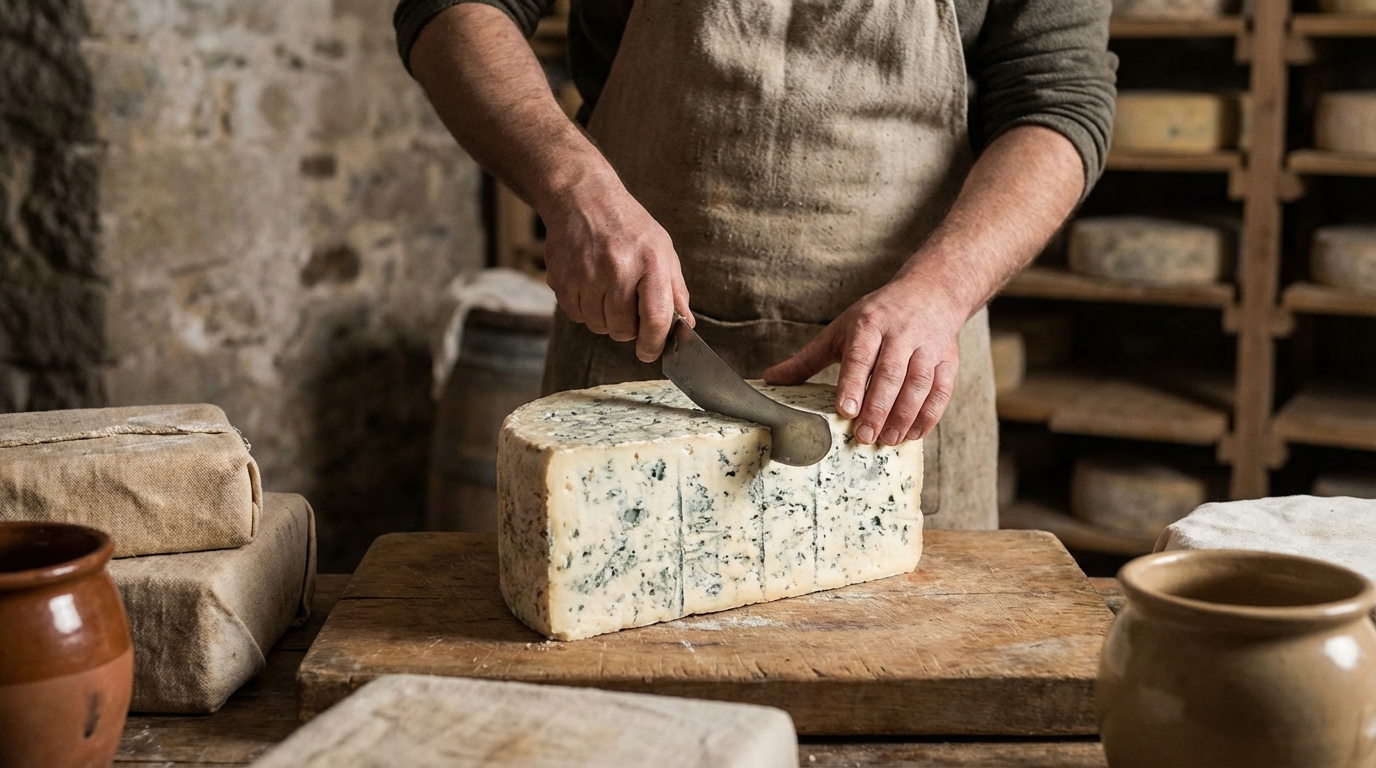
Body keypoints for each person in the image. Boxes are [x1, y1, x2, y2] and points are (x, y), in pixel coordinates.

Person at [394, 0, 1116, 529]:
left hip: (898, 371)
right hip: (639, 357)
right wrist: (574, 189)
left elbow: (1058, 97)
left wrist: (942, 289)